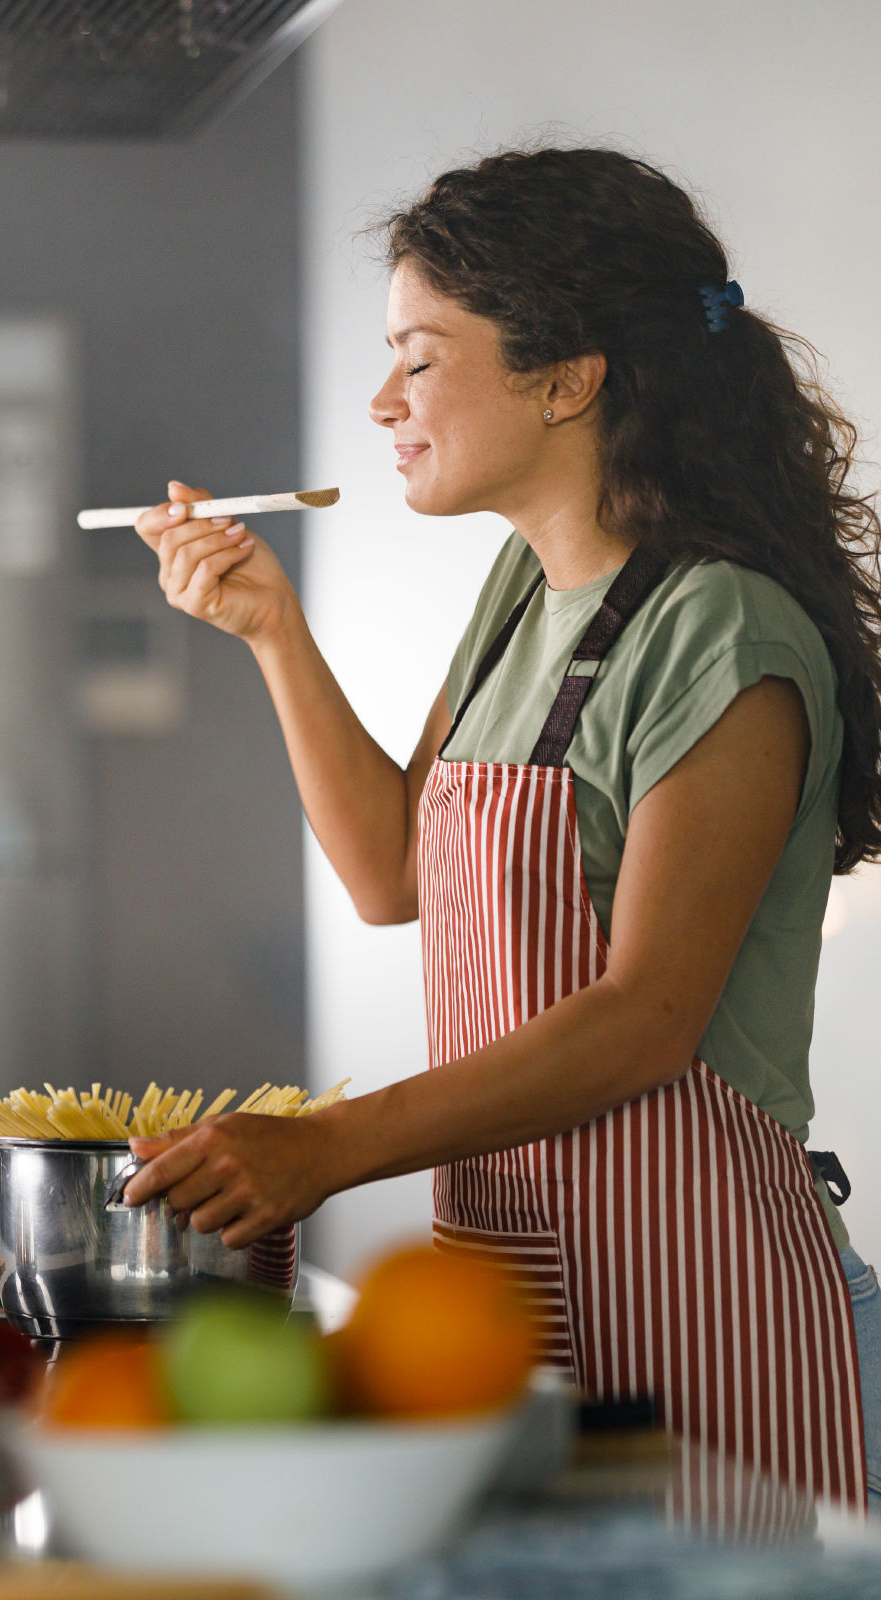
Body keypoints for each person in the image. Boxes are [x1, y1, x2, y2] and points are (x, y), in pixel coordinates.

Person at [120, 146, 881, 1507]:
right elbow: (388, 874)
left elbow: (645, 1016)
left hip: (710, 1301)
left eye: (418, 357)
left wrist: (331, 1148)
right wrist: (268, 630)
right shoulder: (521, 600)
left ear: (564, 376)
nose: (381, 402)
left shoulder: (721, 629)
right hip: (513, 1292)